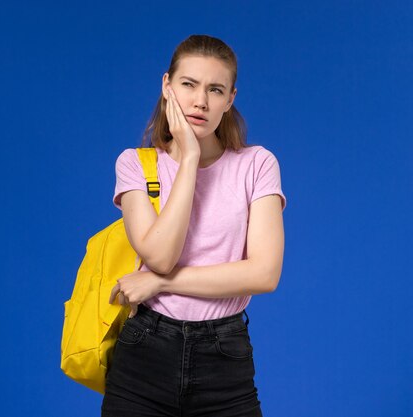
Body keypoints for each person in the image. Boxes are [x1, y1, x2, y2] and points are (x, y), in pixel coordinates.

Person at [101, 34, 286, 417]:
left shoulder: (257, 164)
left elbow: (265, 273)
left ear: (230, 99)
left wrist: (161, 283)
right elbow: (161, 256)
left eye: (215, 89)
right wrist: (189, 159)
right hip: (144, 355)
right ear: (167, 86)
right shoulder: (135, 165)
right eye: (188, 85)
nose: (201, 101)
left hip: (225, 355)